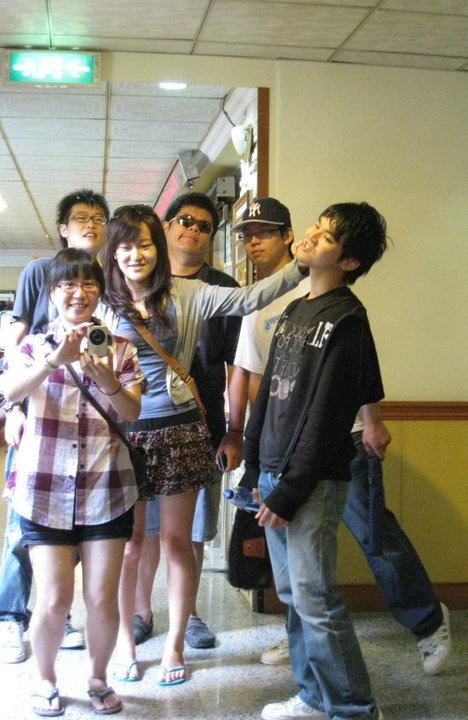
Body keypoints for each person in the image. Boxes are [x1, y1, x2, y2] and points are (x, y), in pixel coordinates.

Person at [228, 197, 451, 677]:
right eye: (247, 235)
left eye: (264, 232)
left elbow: (358, 374)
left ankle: (427, 622)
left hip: (335, 442)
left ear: (287, 236)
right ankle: (307, 657)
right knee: (297, 581)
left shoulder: (343, 310)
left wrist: (372, 419)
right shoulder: (264, 303)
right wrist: (251, 456)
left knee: (373, 538)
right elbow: (257, 380)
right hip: (283, 451)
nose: (253, 241)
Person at [97, 203, 306, 686]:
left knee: (178, 544)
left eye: (143, 245)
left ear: (158, 247)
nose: (135, 255)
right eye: (124, 247)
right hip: (125, 435)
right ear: (113, 252)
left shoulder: (188, 293)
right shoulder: (103, 304)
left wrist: (301, 265)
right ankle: (126, 642)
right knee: (129, 546)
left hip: (180, 430)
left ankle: (174, 645)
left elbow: (251, 297)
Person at [240, 201, 388, 720]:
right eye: (316, 228)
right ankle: (312, 695)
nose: (309, 237)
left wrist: (289, 489)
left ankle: (355, 708)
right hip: (274, 474)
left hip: (312, 483)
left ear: (348, 261)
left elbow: (327, 418)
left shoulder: (348, 321)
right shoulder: (294, 309)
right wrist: (254, 468)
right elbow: (266, 399)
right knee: (293, 593)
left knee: (315, 598)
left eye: (325, 237)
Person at [0, 247, 144, 716]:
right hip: (44, 491)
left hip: (107, 488)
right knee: (52, 600)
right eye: (67, 284)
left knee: (101, 599)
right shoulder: (31, 347)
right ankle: (45, 680)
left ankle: (98, 679)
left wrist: (108, 380)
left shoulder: (119, 348)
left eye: (88, 284)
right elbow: (10, 391)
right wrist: (53, 360)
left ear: (100, 292)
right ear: (51, 292)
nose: (78, 293)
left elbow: (132, 412)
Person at [0, 189, 110, 664]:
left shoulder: (110, 280)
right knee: (24, 524)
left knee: (78, 522)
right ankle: (10, 616)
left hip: (89, 425)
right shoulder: (40, 272)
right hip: (39, 416)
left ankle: (58, 614)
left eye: (98, 217)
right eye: (80, 217)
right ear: (63, 228)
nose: (91, 224)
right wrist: (13, 408)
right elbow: (16, 343)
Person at [131, 192, 242, 650]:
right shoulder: (140, 280)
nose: (192, 229)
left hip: (204, 425)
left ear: (211, 236)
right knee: (143, 532)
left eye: (203, 225)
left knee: (191, 532)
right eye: (184, 220)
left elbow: (240, 365)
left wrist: (235, 431)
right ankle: (140, 611)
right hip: (140, 427)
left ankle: (189, 614)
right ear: (166, 226)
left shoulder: (221, 287)